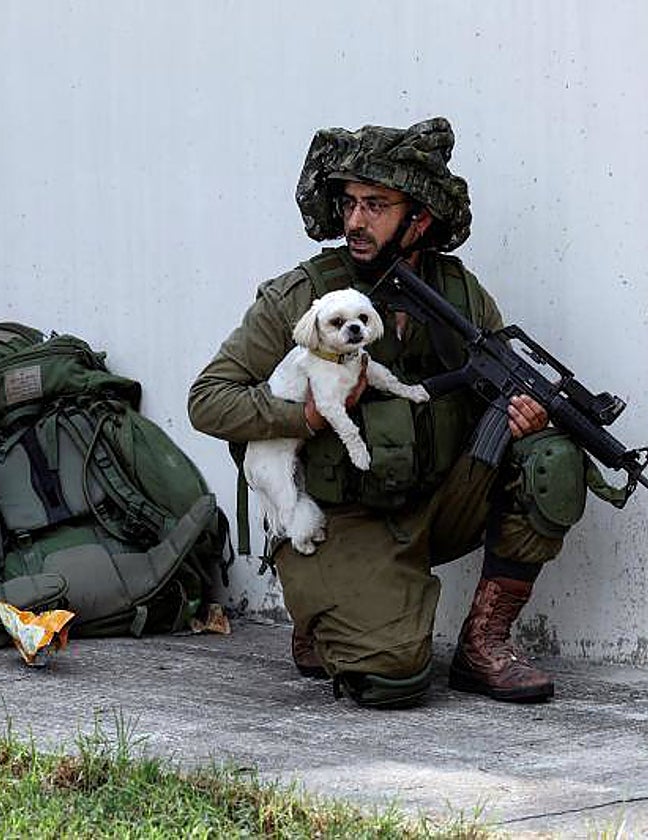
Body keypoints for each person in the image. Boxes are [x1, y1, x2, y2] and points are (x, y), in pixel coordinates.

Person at [188, 117, 590, 708]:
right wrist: (307, 419)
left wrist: (527, 417)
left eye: (375, 204)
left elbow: (501, 383)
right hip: (344, 515)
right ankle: (325, 611)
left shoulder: (459, 294)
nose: (354, 221)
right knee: (393, 680)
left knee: (550, 459)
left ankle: (485, 644)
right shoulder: (306, 297)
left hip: (436, 501)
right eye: (349, 203)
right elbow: (209, 398)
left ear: (419, 217)